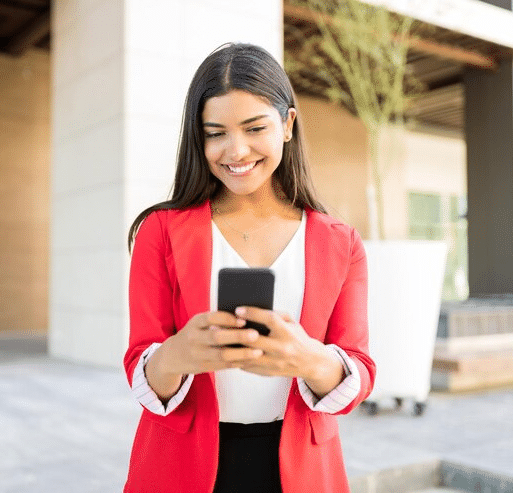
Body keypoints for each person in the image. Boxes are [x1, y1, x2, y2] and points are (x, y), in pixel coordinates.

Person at [123, 42, 375, 493]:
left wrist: (309, 359)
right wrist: (177, 356)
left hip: (300, 470)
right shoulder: (159, 232)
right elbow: (140, 367)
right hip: (180, 467)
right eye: (214, 132)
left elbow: (359, 372)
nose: (235, 150)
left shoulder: (341, 243)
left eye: (254, 127)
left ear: (287, 124)